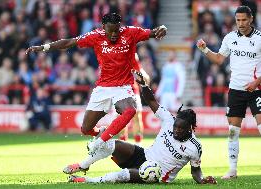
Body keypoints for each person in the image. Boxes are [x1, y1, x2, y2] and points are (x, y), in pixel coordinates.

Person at [25, 13, 167, 153]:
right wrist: (43, 47)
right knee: (86, 129)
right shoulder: (95, 36)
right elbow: (69, 42)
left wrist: (162, 28)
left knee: (130, 111)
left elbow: (154, 33)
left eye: (116, 30)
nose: (113, 34)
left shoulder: (131, 32)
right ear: (103, 26)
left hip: (123, 86)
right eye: (110, 31)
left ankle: (100, 142)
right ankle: (102, 134)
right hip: (103, 88)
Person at [63, 70, 217, 185]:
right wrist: (143, 84)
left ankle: (88, 181)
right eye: (176, 126)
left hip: (156, 173)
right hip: (144, 156)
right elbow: (152, 101)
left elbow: (195, 171)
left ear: (190, 128)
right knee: (112, 144)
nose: (176, 130)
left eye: (180, 129)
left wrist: (202, 179)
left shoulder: (195, 147)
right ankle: (83, 165)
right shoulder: (169, 120)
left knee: (123, 175)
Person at [196, 6, 261, 179]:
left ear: (251, 19)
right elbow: (218, 59)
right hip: (236, 89)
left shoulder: (260, 39)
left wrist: (256, 82)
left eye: (244, 20)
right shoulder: (230, 38)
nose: (240, 23)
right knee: (233, 130)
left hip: (257, 88)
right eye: (238, 20)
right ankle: (232, 170)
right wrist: (204, 49)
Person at [119, 53, 149, 145]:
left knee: (132, 118)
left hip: (130, 91)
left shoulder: (132, 56)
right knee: (123, 119)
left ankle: (136, 144)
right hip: (120, 92)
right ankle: (127, 144)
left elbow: (144, 76)